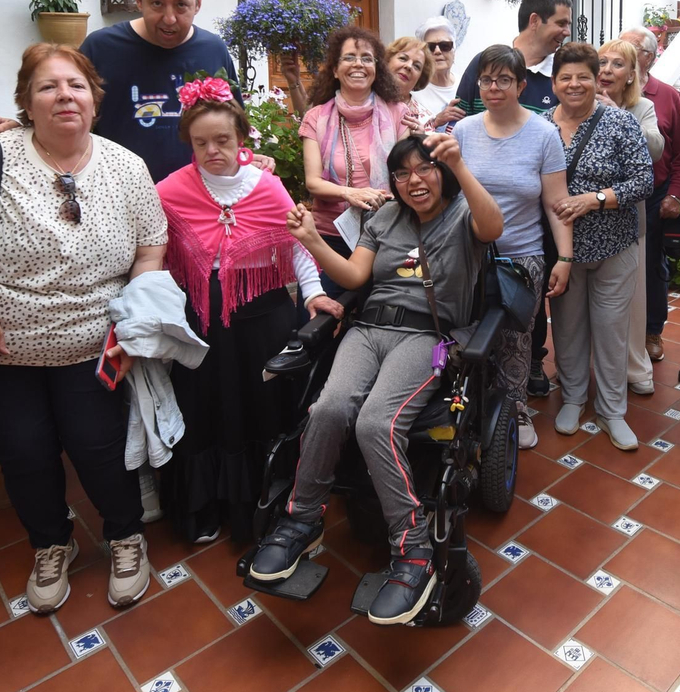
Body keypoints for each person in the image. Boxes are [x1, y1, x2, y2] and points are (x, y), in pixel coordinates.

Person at [0, 43, 168, 615]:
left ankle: (125, 537)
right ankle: (51, 545)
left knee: (100, 449)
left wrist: (132, 317)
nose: (64, 96)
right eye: (48, 86)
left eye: (76, 85)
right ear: (26, 101)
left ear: (95, 100)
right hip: (1, 351)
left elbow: (152, 247)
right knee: (24, 453)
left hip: (94, 346)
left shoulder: (127, 167)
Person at [252, 133, 503, 626]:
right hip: (368, 329)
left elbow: (492, 227)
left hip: (426, 337)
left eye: (425, 169)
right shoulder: (383, 216)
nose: (415, 181)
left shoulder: (462, 215)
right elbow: (352, 277)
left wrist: (460, 166)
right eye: (403, 173)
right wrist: (307, 239)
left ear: (443, 172)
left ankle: (412, 551)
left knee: (375, 424)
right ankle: (301, 521)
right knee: (326, 409)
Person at [155, 80, 344, 544]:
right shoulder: (170, 191)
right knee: (204, 408)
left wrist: (315, 292)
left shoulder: (268, 185)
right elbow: (152, 250)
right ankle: (204, 507)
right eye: (201, 143)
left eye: (222, 140)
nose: (212, 150)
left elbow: (296, 244)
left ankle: (262, 508)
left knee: (262, 411)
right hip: (201, 317)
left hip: (265, 317)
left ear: (243, 138)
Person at [0, 0, 238, 183]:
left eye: (181, 5)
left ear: (198, 3)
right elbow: (67, 109)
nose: (169, 18)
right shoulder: (101, 47)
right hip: (117, 198)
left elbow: (234, 123)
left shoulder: (213, 49)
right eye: (157, 3)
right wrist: (20, 131)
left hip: (201, 201)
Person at [452, 45, 574, 450]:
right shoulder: (464, 131)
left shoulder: (543, 134)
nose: (494, 88)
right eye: (487, 79)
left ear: (522, 85)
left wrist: (565, 257)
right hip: (468, 254)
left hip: (520, 257)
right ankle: (468, 404)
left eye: (504, 79)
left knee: (515, 339)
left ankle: (516, 408)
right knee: (463, 332)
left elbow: (556, 205)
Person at [546, 44, 654, 451]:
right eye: (565, 77)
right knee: (568, 328)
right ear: (554, 82)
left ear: (597, 80)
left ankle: (612, 411)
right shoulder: (541, 126)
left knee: (611, 332)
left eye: (583, 76)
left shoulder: (621, 123)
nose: (574, 84)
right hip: (563, 252)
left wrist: (595, 199)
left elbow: (643, 181)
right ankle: (573, 398)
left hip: (614, 246)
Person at [299, 26, 410, 257]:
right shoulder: (315, 117)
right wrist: (350, 193)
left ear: (376, 70)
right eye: (349, 57)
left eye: (367, 58)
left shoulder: (398, 113)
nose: (358, 64)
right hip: (329, 236)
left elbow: (406, 174)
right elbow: (313, 183)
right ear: (335, 70)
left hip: (387, 232)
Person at [597, 38, 664, 396]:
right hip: (587, 217)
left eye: (617, 64)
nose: (607, 70)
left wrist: (618, 117)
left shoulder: (642, 108)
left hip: (626, 214)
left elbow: (656, 149)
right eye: (602, 62)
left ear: (631, 75)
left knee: (632, 299)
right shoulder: (579, 102)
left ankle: (635, 367)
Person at [620, 27, 680, 363]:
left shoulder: (665, 96)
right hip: (610, 197)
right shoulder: (604, 90)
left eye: (633, 49)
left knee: (651, 266)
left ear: (649, 57)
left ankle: (651, 330)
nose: (625, 55)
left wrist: (675, 195)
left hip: (652, 194)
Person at [410, 17, 467, 129]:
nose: (437, 51)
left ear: (454, 50)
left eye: (445, 46)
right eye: (430, 47)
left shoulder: (466, 84)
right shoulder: (414, 91)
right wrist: (436, 121)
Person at [386, 36, 436, 131]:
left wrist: (420, 140)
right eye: (403, 58)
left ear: (420, 78)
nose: (408, 66)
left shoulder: (425, 119)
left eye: (416, 66)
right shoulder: (365, 98)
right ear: (387, 61)